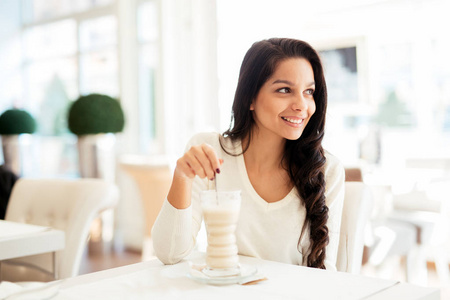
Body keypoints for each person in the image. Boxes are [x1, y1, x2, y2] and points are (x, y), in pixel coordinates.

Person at [152, 38, 345, 270]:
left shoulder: (327, 170)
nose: (301, 105)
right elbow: (170, 253)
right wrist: (182, 177)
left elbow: (324, 274)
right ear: (250, 97)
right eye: (284, 90)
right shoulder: (209, 153)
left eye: (309, 92)